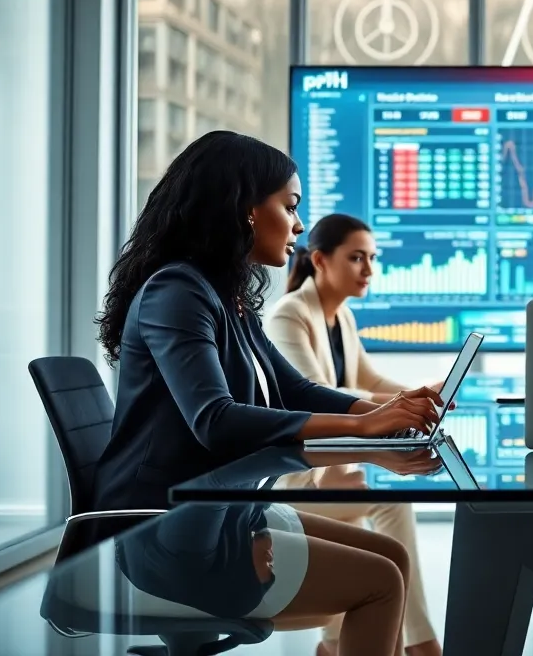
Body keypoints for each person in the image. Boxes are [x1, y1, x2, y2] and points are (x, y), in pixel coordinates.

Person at [92, 131, 444, 656]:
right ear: (246, 209)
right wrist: (363, 428)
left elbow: (293, 389)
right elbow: (215, 420)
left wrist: (385, 416)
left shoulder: (224, 295)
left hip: (222, 506)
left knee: (392, 557)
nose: (298, 225)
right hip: (173, 529)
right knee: (381, 582)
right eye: (290, 205)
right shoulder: (176, 291)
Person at [264, 213, 443, 656]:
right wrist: (399, 404)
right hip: (296, 479)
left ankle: (334, 645)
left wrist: (420, 395)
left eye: (373, 258)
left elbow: (370, 381)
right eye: (357, 257)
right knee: (390, 503)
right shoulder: (290, 314)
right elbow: (314, 394)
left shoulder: (340, 316)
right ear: (320, 260)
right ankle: (421, 644)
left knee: (371, 522)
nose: (369, 270)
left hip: (331, 472)